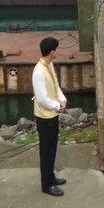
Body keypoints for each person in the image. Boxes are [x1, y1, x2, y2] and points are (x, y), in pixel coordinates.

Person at [32, 37, 68, 197]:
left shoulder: (49, 65)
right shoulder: (39, 72)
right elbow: (41, 99)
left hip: (52, 114)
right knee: (46, 151)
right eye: (56, 49)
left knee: (52, 148)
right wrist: (57, 106)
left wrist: (62, 98)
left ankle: (51, 177)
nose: (57, 52)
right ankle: (46, 185)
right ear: (51, 52)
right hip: (45, 117)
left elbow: (55, 85)